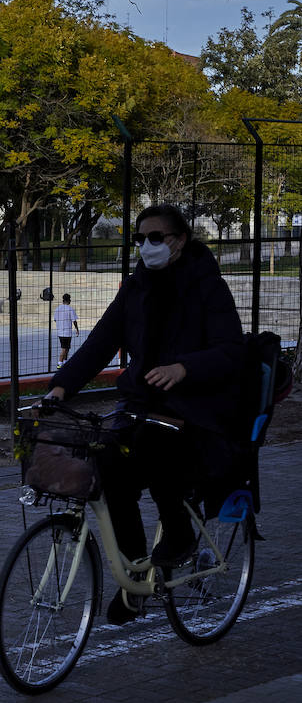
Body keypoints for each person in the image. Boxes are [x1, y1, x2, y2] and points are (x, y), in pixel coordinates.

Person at [43, 204, 244, 625]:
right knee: (108, 464)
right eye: (139, 239)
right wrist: (62, 387)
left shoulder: (207, 286)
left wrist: (184, 367)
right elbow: (100, 342)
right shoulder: (136, 287)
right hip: (143, 406)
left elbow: (231, 352)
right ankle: (136, 573)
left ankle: (180, 533)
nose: (146, 246)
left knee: (152, 450)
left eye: (156, 237)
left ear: (180, 240)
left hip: (198, 413)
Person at [53, 293, 79, 366]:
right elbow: (74, 321)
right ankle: (59, 363)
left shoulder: (57, 309)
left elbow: (55, 319)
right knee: (64, 348)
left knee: (67, 348)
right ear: (69, 300)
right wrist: (77, 329)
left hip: (60, 331)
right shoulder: (70, 309)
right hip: (67, 332)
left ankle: (65, 361)